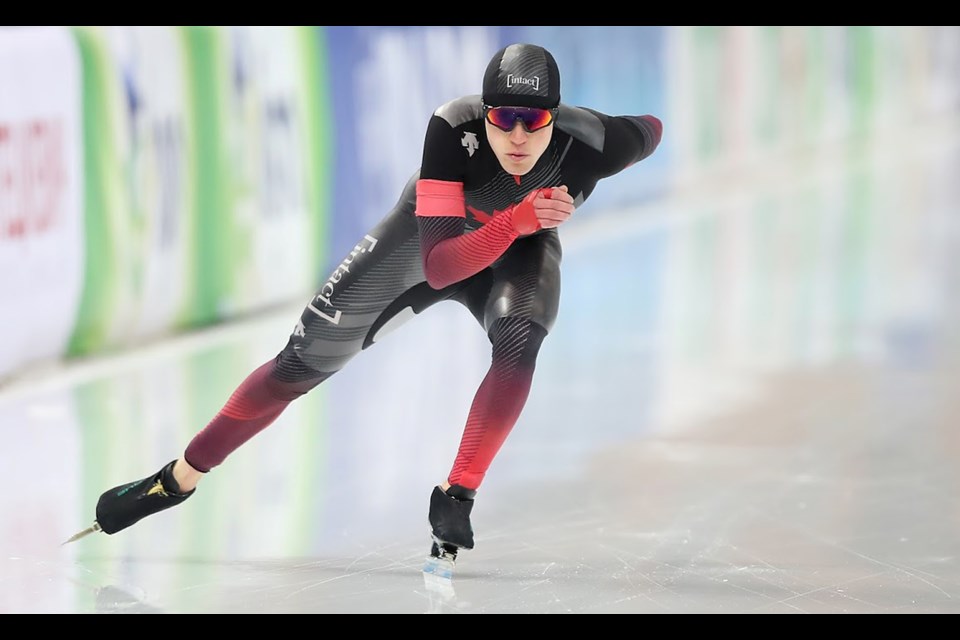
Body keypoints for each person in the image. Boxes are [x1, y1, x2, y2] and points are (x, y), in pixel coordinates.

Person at [72, 43, 663, 570]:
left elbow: (652, 127)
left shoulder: (595, 143)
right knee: (294, 369)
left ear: (553, 118)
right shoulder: (451, 129)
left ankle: (457, 496)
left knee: (519, 343)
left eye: (530, 121)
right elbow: (440, 267)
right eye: (501, 119)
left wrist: (524, 225)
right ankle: (175, 480)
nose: (515, 137)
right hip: (425, 244)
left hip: (519, 250)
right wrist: (516, 218)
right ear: (483, 115)